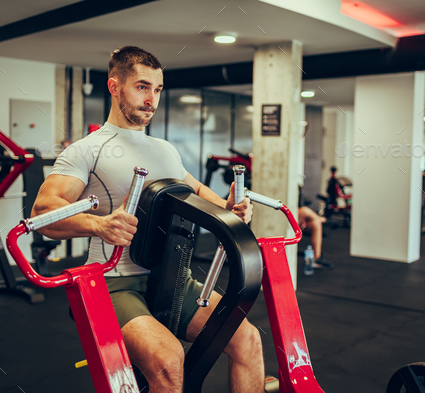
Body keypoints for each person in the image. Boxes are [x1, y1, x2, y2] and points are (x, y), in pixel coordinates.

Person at [31, 46, 263, 393]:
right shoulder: (87, 149)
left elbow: (195, 188)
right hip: (114, 282)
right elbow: (42, 212)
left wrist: (230, 208)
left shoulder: (164, 149)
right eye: (142, 87)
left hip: (173, 277)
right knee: (169, 361)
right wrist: (100, 224)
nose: (151, 99)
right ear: (114, 86)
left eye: (157, 89)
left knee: (248, 339)